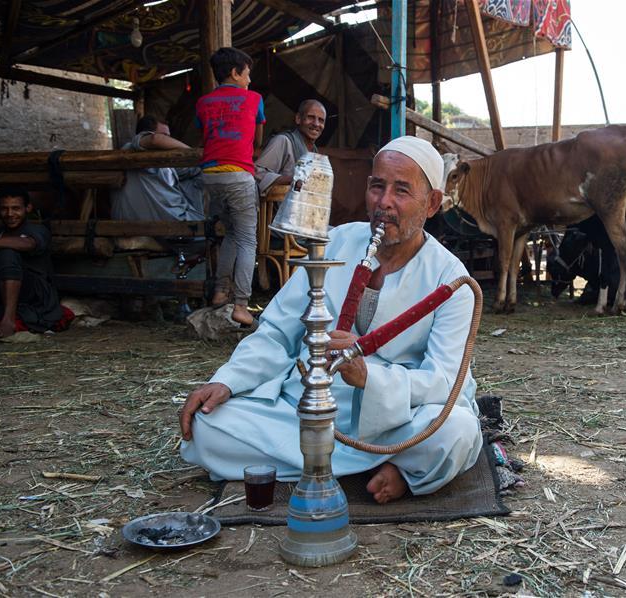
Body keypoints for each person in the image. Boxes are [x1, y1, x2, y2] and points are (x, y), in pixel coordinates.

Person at [179, 136, 483, 505]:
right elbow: (276, 331)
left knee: (458, 431)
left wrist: (370, 376)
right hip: (306, 407)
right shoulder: (336, 243)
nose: (383, 202)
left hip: (397, 416)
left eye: (401, 190)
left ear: (432, 203)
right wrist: (228, 380)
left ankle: (369, 459)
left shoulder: (452, 280)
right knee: (208, 425)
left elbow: (444, 382)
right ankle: (389, 465)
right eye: (377, 186)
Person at [195, 47, 266, 326]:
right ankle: (241, 305)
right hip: (238, 174)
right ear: (235, 72)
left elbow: (207, 133)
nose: (249, 80)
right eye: (247, 74)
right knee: (249, 239)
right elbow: (257, 140)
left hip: (210, 177)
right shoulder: (254, 99)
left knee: (232, 235)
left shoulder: (203, 103)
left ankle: (219, 292)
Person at [0, 187, 63, 339]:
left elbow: (28, 244)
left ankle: (8, 321)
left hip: (36, 294)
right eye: (4, 209)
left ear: (28, 208)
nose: (10, 214)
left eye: (16, 208)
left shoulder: (37, 229)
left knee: (7, 254)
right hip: (4, 292)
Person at [110, 116, 205, 222]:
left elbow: (189, 171)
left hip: (172, 215)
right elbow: (155, 139)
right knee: (210, 230)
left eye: (169, 137)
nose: (168, 140)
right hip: (163, 221)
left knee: (202, 174)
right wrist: (192, 152)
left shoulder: (164, 163)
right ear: (145, 133)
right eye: (165, 136)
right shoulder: (132, 148)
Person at [254, 99, 327, 194]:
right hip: (279, 208)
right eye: (311, 117)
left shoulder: (314, 153)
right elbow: (257, 174)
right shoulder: (283, 141)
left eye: (321, 120)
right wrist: (292, 180)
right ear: (298, 119)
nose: (316, 124)